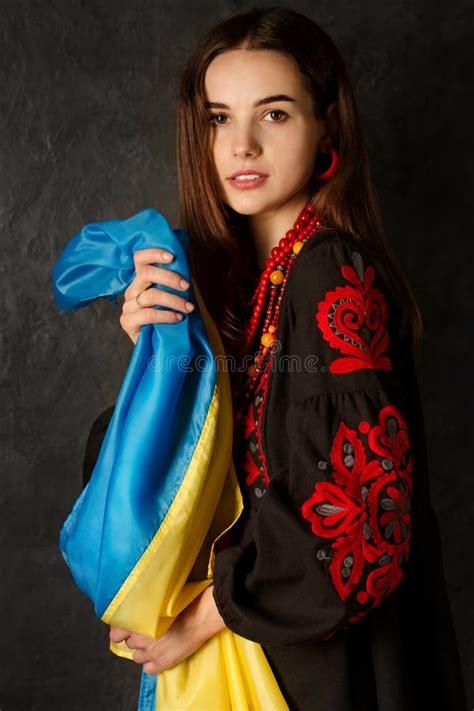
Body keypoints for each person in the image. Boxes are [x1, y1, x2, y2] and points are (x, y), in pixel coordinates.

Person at [82, 7, 468, 710]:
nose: (243, 146)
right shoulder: (238, 281)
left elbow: (362, 524)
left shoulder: (329, 274)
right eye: (218, 118)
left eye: (276, 115)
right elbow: (195, 489)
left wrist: (200, 619)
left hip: (316, 672)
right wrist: (159, 367)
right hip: (259, 657)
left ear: (328, 129)